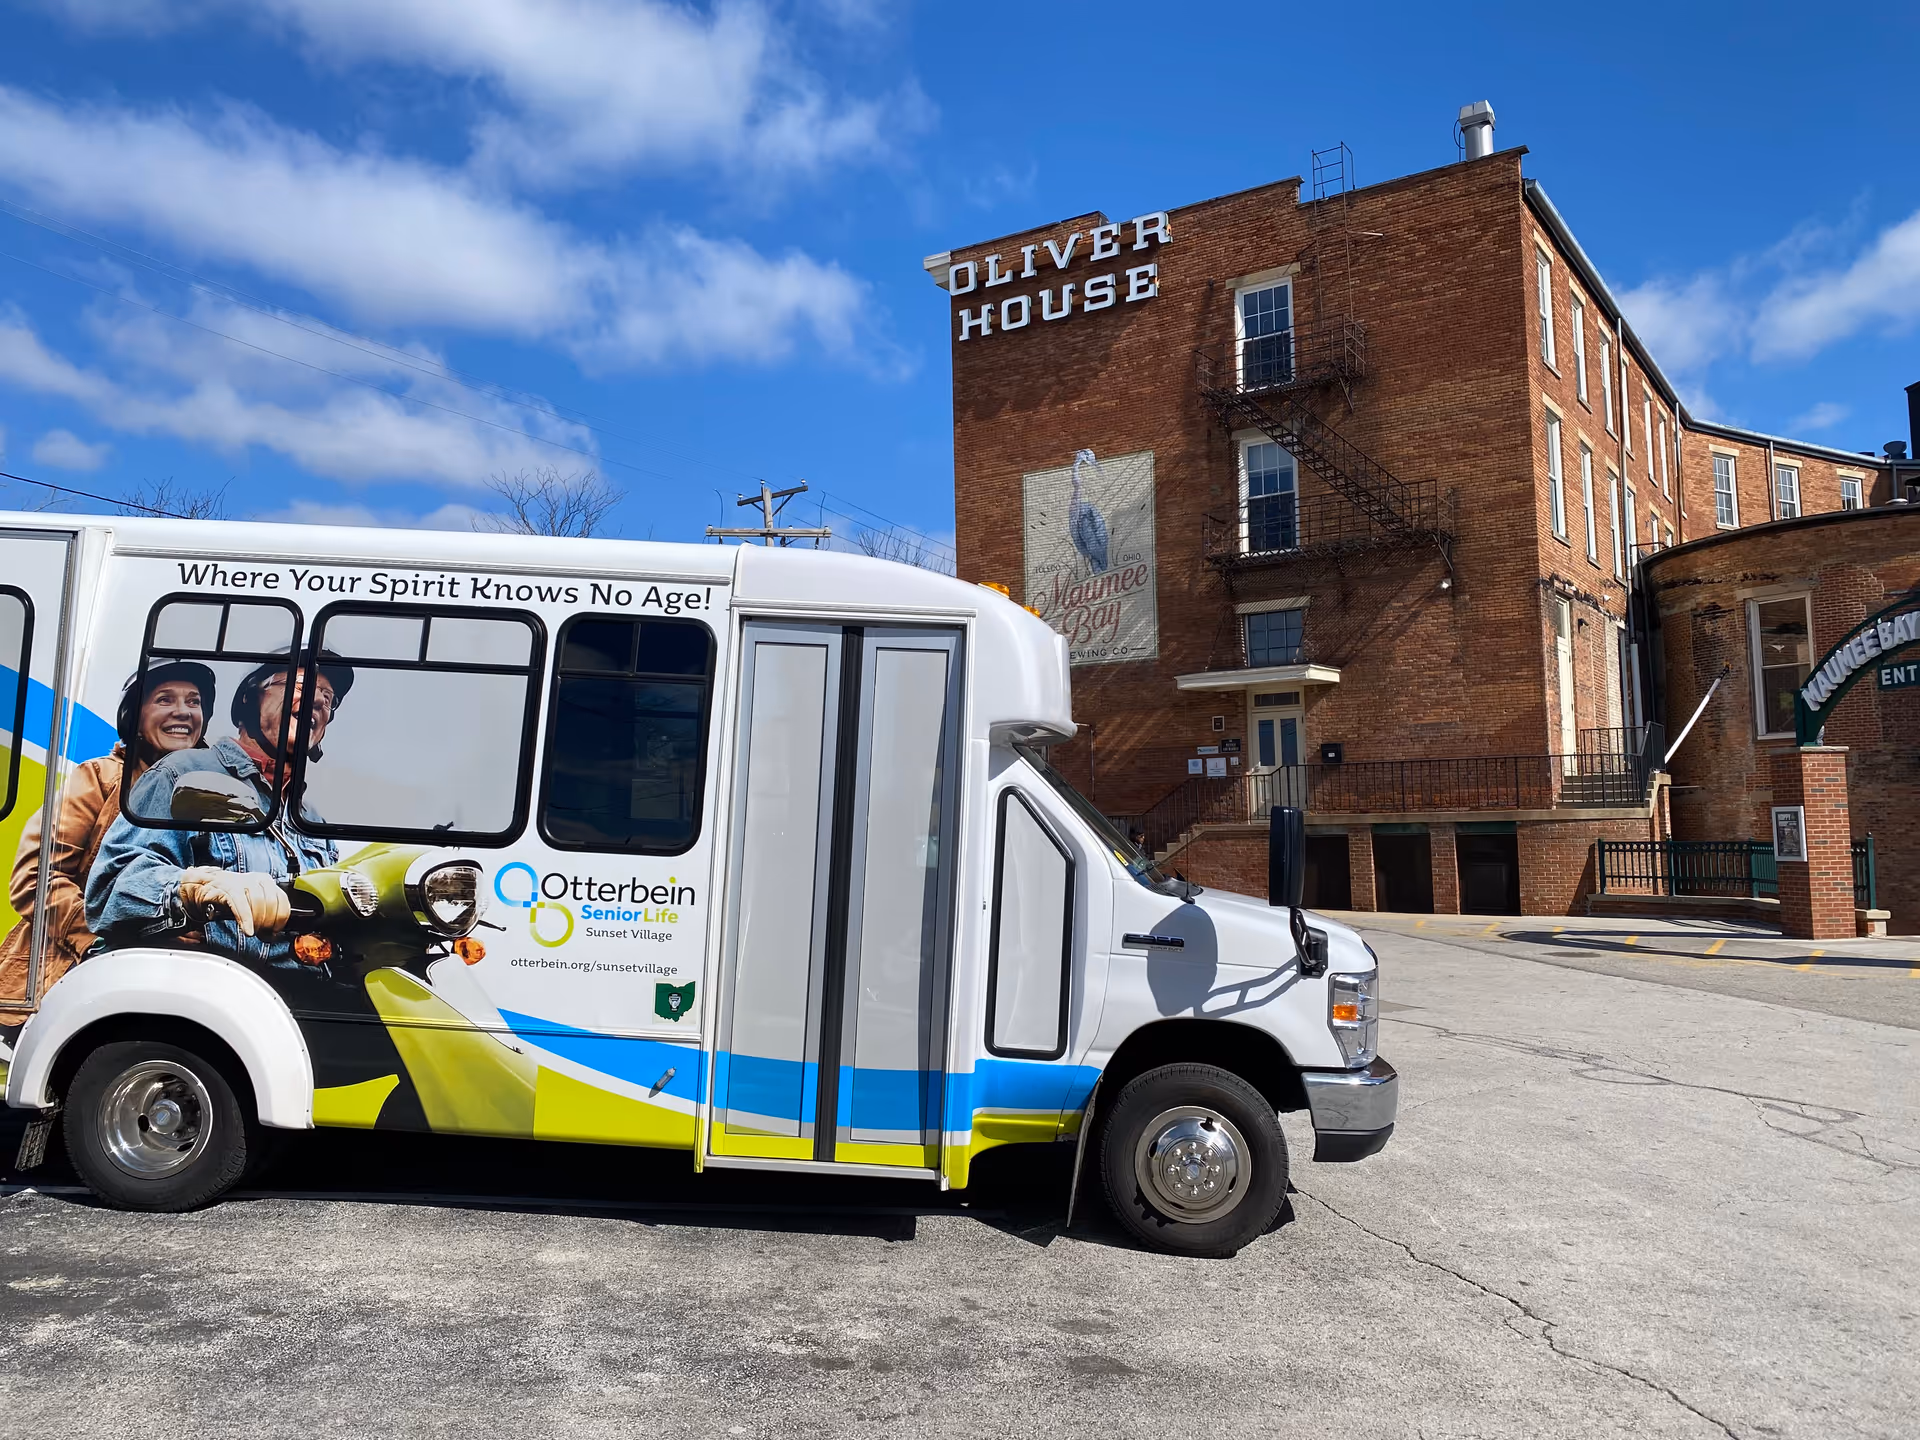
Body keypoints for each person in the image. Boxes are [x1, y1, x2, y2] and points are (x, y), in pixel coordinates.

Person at [86, 654, 352, 970]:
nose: (317, 701)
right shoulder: (185, 773)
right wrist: (195, 889)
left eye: (327, 698)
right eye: (300, 686)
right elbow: (109, 891)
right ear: (248, 699)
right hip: (217, 990)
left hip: (306, 997)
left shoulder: (311, 821)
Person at [0, 663, 216, 1008]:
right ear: (135, 718)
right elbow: (34, 879)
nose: (183, 712)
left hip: (171, 988)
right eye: (165, 700)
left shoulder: (214, 794)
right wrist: (100, 941)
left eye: (194, 702)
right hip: (62, 984)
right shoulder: (99, 778)